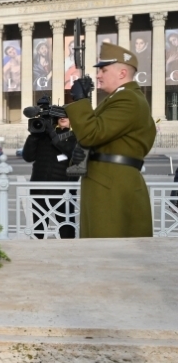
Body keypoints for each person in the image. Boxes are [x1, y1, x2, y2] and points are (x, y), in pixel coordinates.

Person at [65, 43, 156, 238]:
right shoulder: (117, 99)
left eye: (104, 70)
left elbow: (91, 134)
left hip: (113, 187)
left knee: (110, 255)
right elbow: (94, 138)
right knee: (100, 254)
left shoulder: (128, 99)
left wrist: (81, 101)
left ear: (122, 73)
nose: (98, 75)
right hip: (106, 184)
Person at [22, 115, 78, 238]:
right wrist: (34, 135)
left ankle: (70, 251)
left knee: (66, 226)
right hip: (39, 187)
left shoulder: (76, 136)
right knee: (39, 227)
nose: (63, 117)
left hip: (63, 190)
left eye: (67, 115)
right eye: (60, 116)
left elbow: (69, 151)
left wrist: (52, 133)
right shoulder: (44, 135)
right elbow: (28, 156)